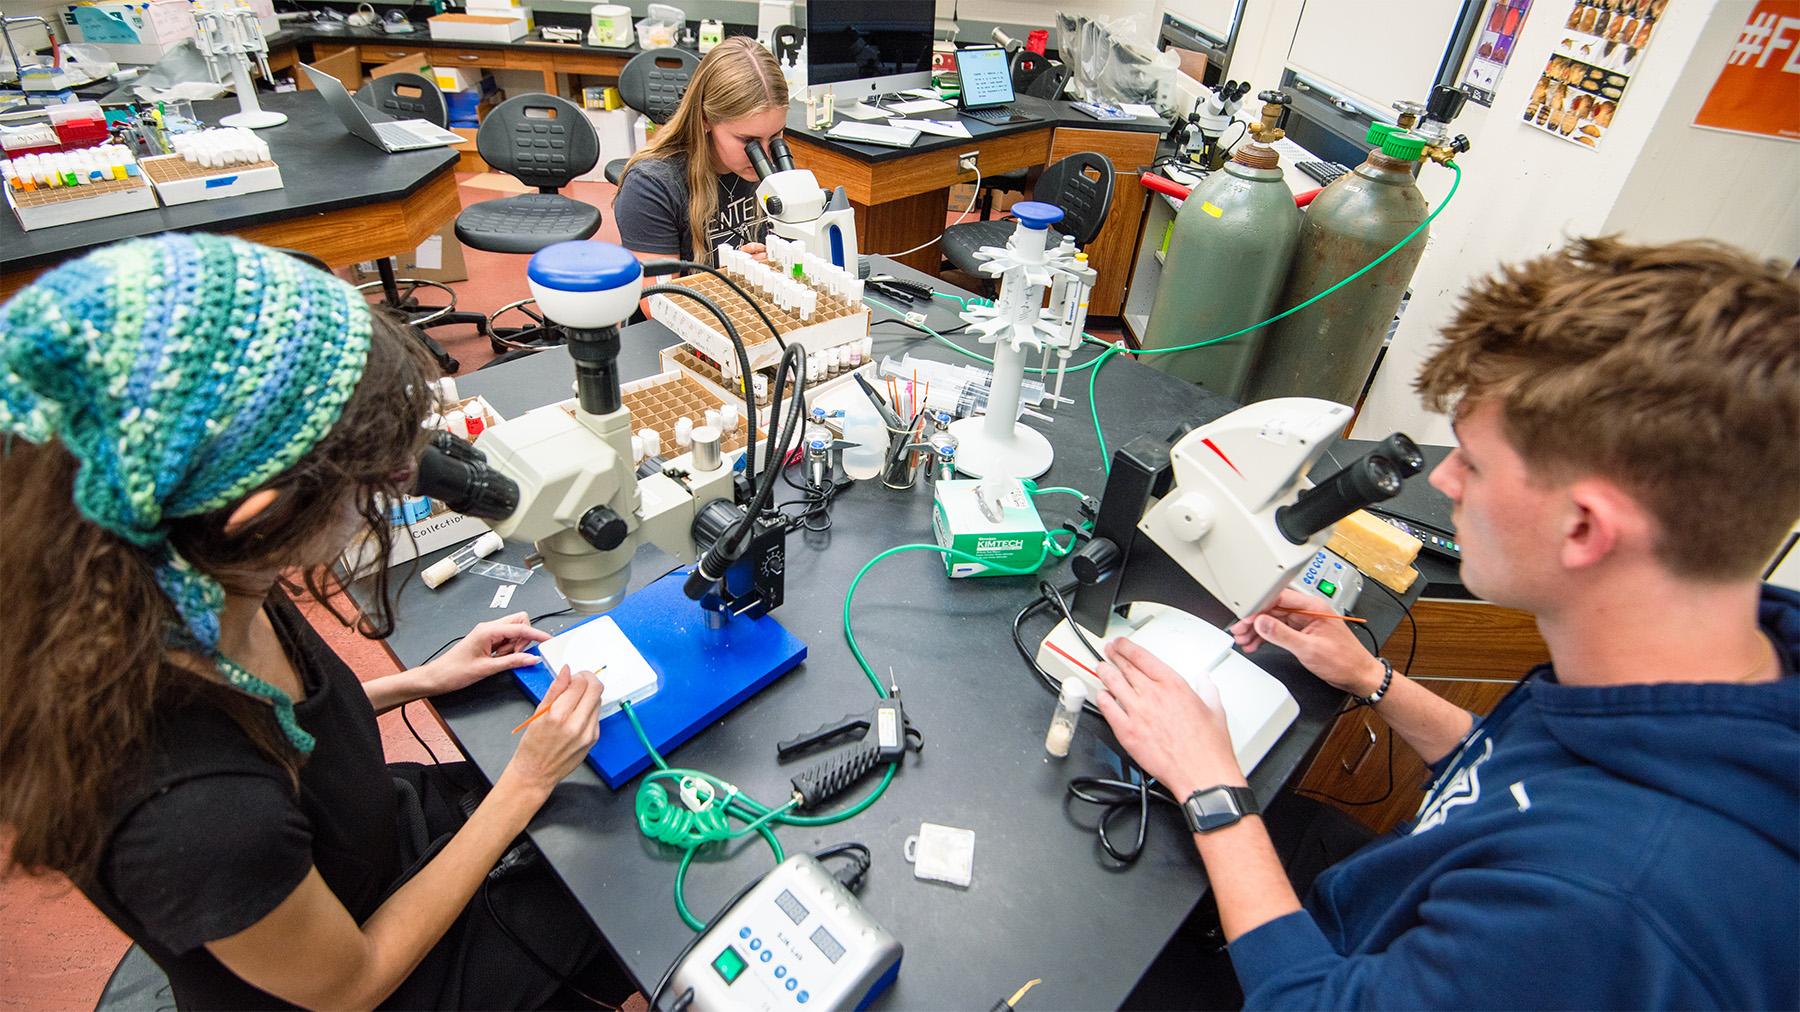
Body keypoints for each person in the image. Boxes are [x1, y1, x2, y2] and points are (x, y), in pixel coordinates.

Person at [1093, 237, 1799, 1008]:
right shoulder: (1708, 670)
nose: (1444, 480)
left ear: (1585, 528)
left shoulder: (1609, 902)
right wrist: (1373, 679)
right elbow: (1521, 780)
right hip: (1388, 903)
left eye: (1475, 462)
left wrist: (1211, 786)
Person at [0, 235, 624, 1009]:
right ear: (263, 507)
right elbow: (349, 984)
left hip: (371, 843)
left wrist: (418, 680)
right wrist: (523, 786)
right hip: (369, 971)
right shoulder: (190, 808)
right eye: (372, 479)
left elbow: (279, 731)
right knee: (614, 889)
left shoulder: (199, 570)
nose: (392, 490)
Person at [614, 36, 788, 264]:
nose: (765, 156)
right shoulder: (650, 187)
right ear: (705, 119)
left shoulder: (773, 163)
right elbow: (657, 298)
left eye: (775, 136)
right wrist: (731, 281)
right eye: (749, 140)